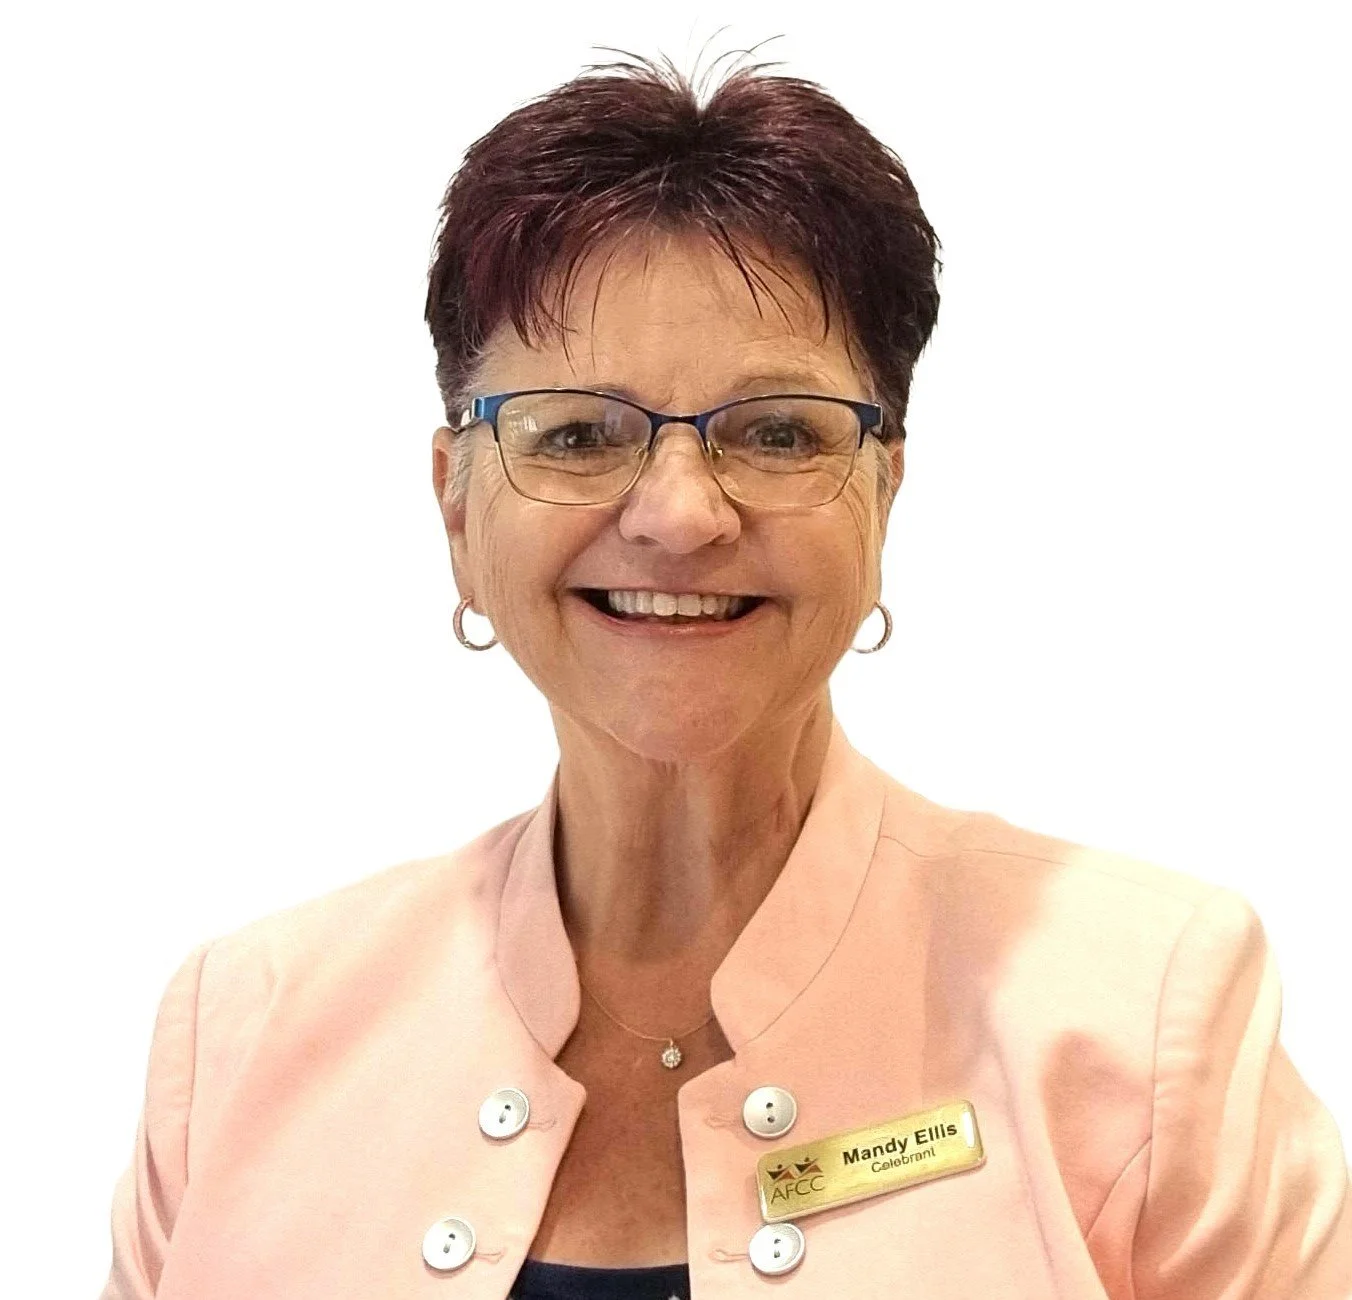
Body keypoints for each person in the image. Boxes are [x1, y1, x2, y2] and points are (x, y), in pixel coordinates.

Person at [100, 51, 1352, 1300]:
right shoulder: (243, 1030)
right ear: (454, 506)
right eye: (580, 431)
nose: (681, 514)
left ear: (883, 492)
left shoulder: (1145, 1012)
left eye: (777, 433)